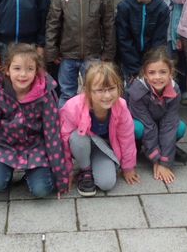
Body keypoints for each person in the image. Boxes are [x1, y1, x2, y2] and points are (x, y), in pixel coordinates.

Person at [0, 44, 71, 198]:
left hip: (35, 148)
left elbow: (52, 136)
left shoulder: (45, 95)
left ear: (37, 71)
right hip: (5, 147)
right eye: (17, 68)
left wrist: (61, 180)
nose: (23, 74)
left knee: (42, 190)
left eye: (29, 69)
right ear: (7, 70)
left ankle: (31, 174)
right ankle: (5, 172)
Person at [45, 0, 116, 106]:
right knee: (67, 92)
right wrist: (52, 52)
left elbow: (109, 26)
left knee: (94, 92)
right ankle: (65, 121)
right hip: (67, 55)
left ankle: (90, 120)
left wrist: (108, 53)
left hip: (93, 56)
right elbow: (52, 26)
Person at [60, 62, 140, 196]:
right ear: (88, 91)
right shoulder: (72, 107)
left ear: (119, 87)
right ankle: (85, 170)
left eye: (111, 89)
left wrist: (128, 167)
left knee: (107, 183)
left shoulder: (121, 106)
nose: (107, 96)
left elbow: (127, 138)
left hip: (103, 148)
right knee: (77, 137)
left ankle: (93, 164)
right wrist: (66, 172)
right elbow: (63, 139)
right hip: (80, 145)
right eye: (100, 90)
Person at [126, 47, 187, 183]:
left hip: (161, 124)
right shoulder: (136, 91)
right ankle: (141, 148)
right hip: (144, 125)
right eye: (152, 73)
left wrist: (164, 162)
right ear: (145, 74)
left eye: (163, 72)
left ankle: (166, 149)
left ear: (171, 72)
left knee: (180, 127)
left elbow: (169, 124)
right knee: (137, 128)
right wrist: (156, 159)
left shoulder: (175, 90)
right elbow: (148, 126)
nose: (157, 77)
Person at [115, 0, 170, 83]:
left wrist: (150, 65)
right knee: (133, 90)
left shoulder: (162, 9)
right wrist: (135, 69)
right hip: (130, 62)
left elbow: (159, 41)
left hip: (152, 62)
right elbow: (124, 40)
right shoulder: (124, 8)